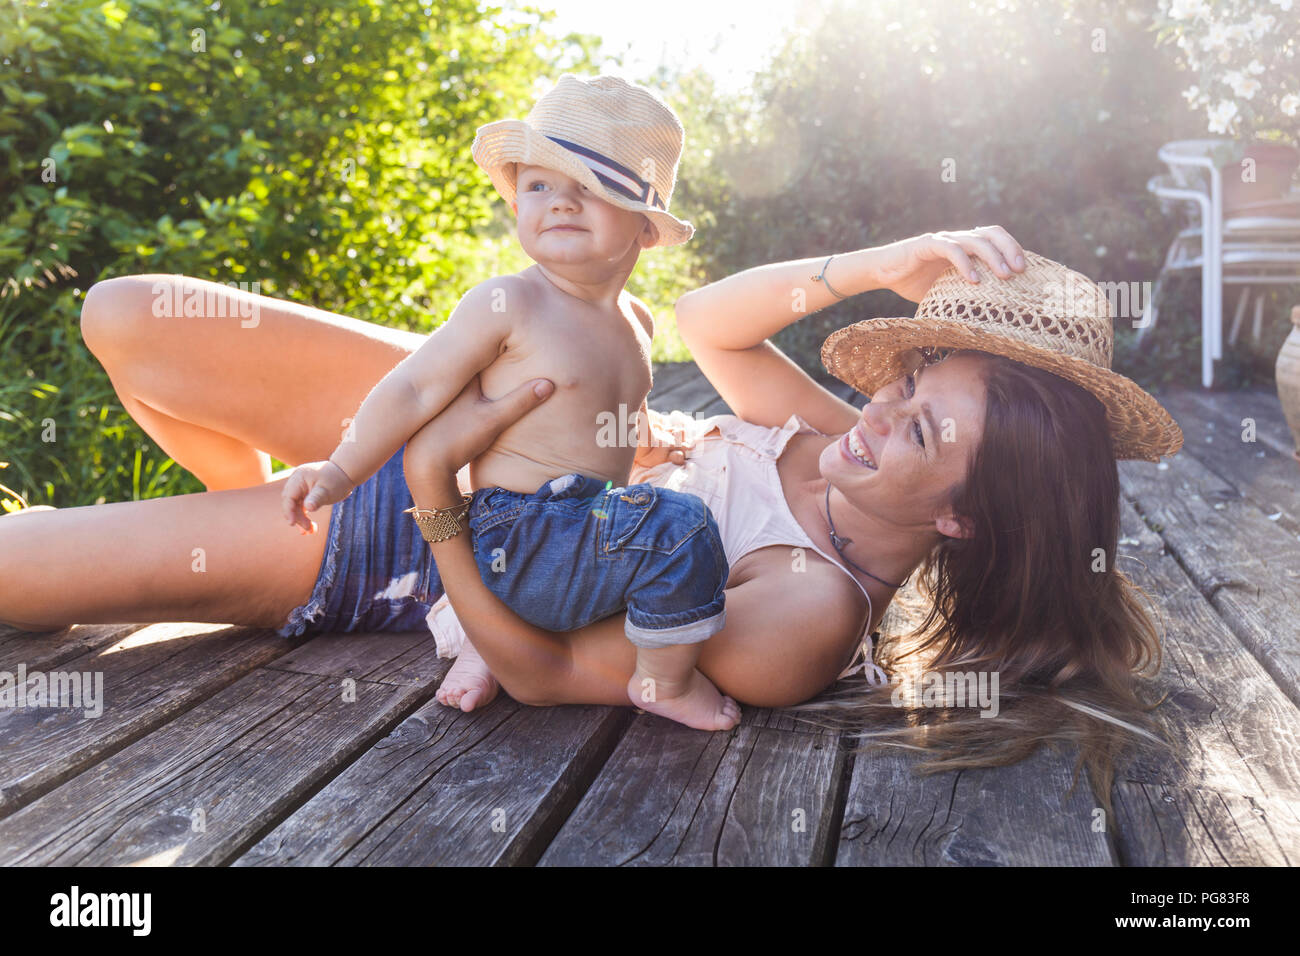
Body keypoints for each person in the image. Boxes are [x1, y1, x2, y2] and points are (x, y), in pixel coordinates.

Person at [3, 226, 1182, 810]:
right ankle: (227, 529)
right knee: (130, 315)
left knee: (15, 569)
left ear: (971, 519)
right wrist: (880, 259)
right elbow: (704, 319)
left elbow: (539, 661)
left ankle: (235, 552)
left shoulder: (805, 613)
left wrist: (431, 499)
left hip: (403, 541)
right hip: (500, 407)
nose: (880, 417)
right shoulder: (830, 441)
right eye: (906, 384)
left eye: (922, 430)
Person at [278, 74, 739, 731]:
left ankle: (482, 648)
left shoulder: (637, 322)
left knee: (636, 539)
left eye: (589, 188)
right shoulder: (511, 301)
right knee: (683, 529)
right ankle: (663, 683)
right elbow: (414, 385)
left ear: (643, 228)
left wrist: (649, 441)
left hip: (573, 535)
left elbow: (611, 421)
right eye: (540, 185)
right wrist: (340, 469)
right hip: (521, 532)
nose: (560, 202)